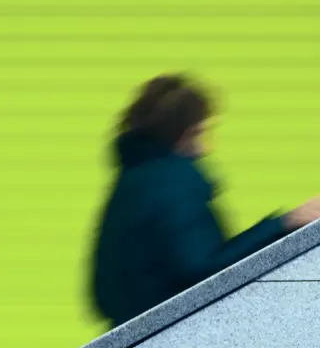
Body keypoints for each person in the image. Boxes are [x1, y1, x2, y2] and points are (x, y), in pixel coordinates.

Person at [90, 73, 320, 328]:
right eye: (200, 133)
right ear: (181, 134)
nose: (205, 148)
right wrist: (285, 224)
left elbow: (101, 294)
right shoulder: (172, 180)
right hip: (173, 336)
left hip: (130, 339)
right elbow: (204, 271)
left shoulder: (129, 181)